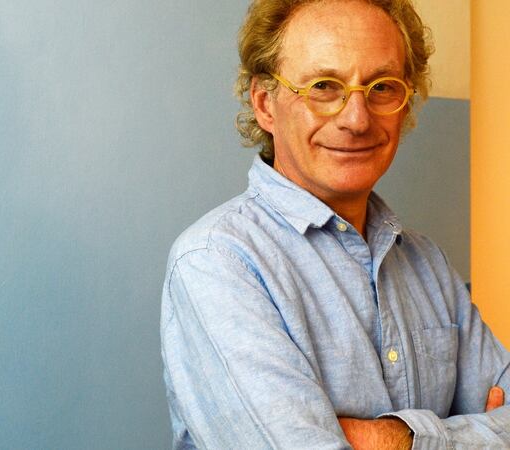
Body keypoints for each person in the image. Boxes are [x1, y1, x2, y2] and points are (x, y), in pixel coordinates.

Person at [160, 0, 510, 448]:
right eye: (324, 86)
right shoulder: (217, 263)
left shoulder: (426, 262)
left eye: (382, 87)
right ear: (266, 104)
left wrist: (395, 438)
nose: (356, 118)